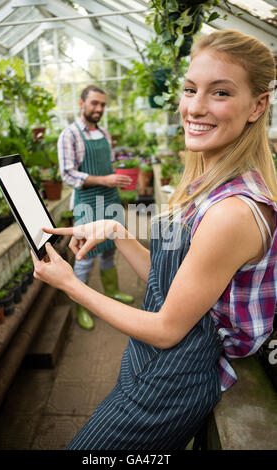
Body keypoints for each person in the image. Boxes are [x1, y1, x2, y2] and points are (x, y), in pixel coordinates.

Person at [31, 30, 277, 450]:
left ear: (257, 105)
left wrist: (71, 286)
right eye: (189, 89)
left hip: (169, 381)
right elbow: (172, 288)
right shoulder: (206, 184)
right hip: (149, 364)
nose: (195, 107)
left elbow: (166, 328)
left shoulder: (231, 212)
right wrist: (120, 232)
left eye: (219, 92)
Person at [57, 84, 134, 330]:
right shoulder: (69, 135)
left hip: (109, 198)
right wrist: (105, 180)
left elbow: (106, 166)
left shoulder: (104, 133)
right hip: (87, 202)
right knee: (85, 255)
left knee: (111, 248)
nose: (99, 108)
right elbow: (68, 175)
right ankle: (83, 306)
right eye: (94, 103)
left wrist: (112, 181)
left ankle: (112, 292)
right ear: (81, 103)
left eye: (102, 104)